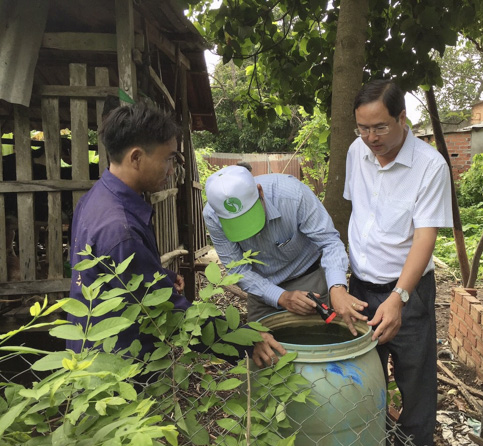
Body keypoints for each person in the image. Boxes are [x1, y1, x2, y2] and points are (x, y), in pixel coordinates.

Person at [66, 102, 281, 368]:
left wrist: (161, 277)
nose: (171, 170)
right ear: (136, 157)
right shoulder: (120, 229)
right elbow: (169, 312)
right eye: (168, 158)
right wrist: (244, 339)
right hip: (118, 364)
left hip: (87, 347)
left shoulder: (94, 200)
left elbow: (111, 273)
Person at [344, 80, 453, 446]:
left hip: (409, 294)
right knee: (361, 377)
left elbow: (425, 237)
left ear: (402, 118)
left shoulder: (430, 166)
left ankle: (415, 444)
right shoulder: (355, 151)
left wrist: (399, 297)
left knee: (415, 383)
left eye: (380, 127)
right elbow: (357, 213)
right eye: (362, 127)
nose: (370, 137)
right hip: (360, 289)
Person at [203, 165, 367, 332]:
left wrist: (337, 288)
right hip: (260, 288)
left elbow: (329, 242)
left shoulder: (293, 195)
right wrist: (280, 297)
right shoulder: (212, 215)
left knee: (316, 343)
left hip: (307, 277)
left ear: (260, 192)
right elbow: (237, 269)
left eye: (250, 216)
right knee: (262, 350)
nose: (250, 231)